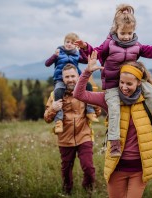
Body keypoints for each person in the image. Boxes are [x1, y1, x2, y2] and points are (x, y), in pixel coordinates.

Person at [73, 46, 152, 197]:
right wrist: (87, 72)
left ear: (139, 82)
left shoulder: (150, 97)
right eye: (121, 82)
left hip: (139, 169)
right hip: (116, 166)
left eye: (129, 84)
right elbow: (79, 94)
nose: (124, 87)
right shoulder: (109, 98)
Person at [75, 3, 152, 158]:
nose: (126, 36)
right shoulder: (109, 44)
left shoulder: (136, 45)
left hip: (132, 80)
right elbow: (95, 52)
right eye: (123, 33)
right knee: (114, 109)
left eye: (130, 33)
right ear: (116, 30)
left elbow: (151, 51)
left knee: (150, 91)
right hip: (112, 85)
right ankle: (114, 141)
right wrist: (84, 47)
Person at [44, 64, 102, 196]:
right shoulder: (55, 94)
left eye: (72, 76)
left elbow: (96, 113)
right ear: (63, 78)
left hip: (84, 136)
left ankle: (88, 190)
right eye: (67, 77)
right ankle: (67, 191)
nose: (70, 79)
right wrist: (53, 108)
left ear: (78, 76)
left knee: (88, 168)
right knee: (66, 169)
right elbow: (47, 118)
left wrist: (95, 105)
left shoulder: (86, 91)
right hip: (65, 139)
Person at [45, 32, 99, 134]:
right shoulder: (59, 52)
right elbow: (47, 63)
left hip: (75, 79)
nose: (69, 44)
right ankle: (59, 121)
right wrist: (54, 56)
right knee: (58, 94)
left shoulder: (76, 54)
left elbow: (85, 60)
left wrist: (82, 50)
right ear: (64, 42)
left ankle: (90, 111)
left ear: (76, 45)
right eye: (67, 41)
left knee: (88, 86)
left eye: (72, 42)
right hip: (60, 79)